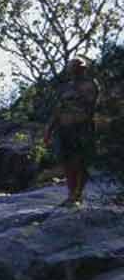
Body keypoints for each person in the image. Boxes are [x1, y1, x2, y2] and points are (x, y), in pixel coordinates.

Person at [49, 57, 101, 208]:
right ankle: (71, 195)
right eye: (72, 68)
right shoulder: (64, 87)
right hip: (63, 128)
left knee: (81, 162)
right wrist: (49, 129)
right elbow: (57, 110)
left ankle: (77, 194)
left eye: (78, 68)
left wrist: (75, 100)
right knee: (66, 162)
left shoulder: (90, 84)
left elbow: (91, 104)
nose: (75, 71)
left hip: (82, 127)